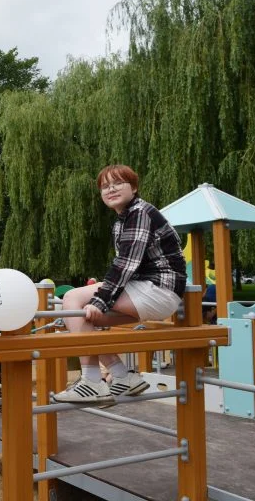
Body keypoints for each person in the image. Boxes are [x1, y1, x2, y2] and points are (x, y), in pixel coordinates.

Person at [53, 164, 187, 404]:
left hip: (157, 289)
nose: (111, 189)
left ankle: (92, 381)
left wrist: (101, 299)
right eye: (105, 186)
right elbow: (127, 265)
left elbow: (126, 264)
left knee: (72, 299)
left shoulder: (140, 212)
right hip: (152, 291)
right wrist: (99, 303)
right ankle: (122, 376)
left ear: (133, 187)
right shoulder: (122, 220)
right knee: (82, 319)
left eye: (118, 183)